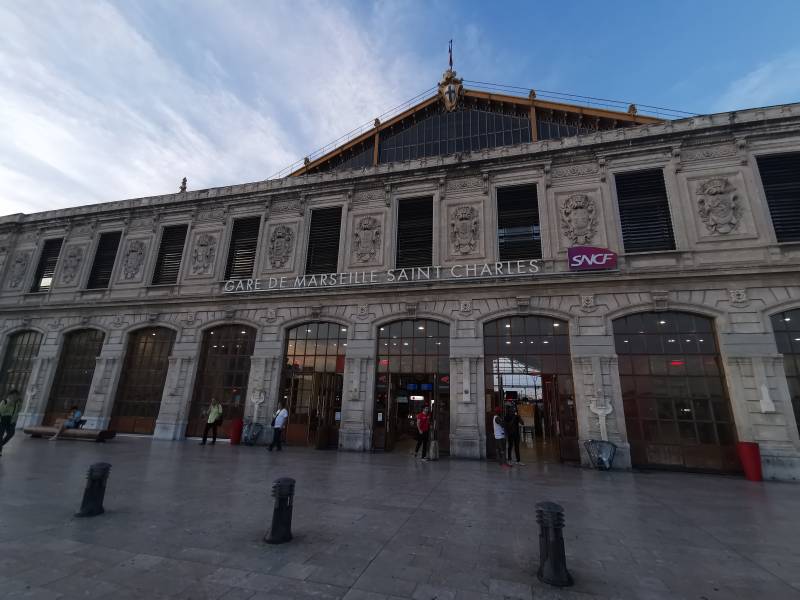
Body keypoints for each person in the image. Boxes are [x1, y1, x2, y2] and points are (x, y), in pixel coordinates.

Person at [0, 389, 21, 456]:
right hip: (2, 421)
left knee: (11, 434)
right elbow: (1, 411)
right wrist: (8, 404)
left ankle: (1, 445)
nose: (15, 397)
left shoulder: (17, 403)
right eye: (14, 395)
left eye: (17, 396)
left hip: (11, 422)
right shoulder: (4, 401)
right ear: (10, 395)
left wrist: (20, 404)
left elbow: (17, 412)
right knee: (0, 435)